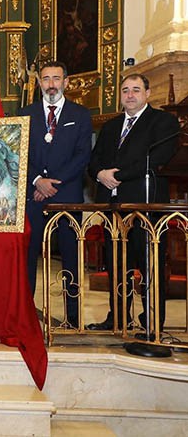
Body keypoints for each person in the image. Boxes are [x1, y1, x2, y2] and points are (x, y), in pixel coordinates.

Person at [87, 74, 180, 333]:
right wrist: (98, 175)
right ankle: (117, 318)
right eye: (125, 90)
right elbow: (94, 160)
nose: (130, 95)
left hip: (144, 208)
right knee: (118, 267)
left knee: (149, 267)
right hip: (113, 210)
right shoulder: (110, 126)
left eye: (136, 90)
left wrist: (115, 175)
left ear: (148, 93)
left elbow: (158, 157)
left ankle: (151, 321)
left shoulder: (163, 122)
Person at [18, 60, 92, 327]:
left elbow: (82, 156)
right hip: (33, 197)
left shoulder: (81, 115)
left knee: (71, 257)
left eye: (56, 79)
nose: (51, 84)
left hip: (68, 198)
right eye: (46, 79)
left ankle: (73, 316)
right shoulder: (25, 113)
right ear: (39, 83)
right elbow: (19, 153)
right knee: (28, 258)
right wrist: (38, 181)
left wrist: (52, 185)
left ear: (66, 82)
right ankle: (25, 314)